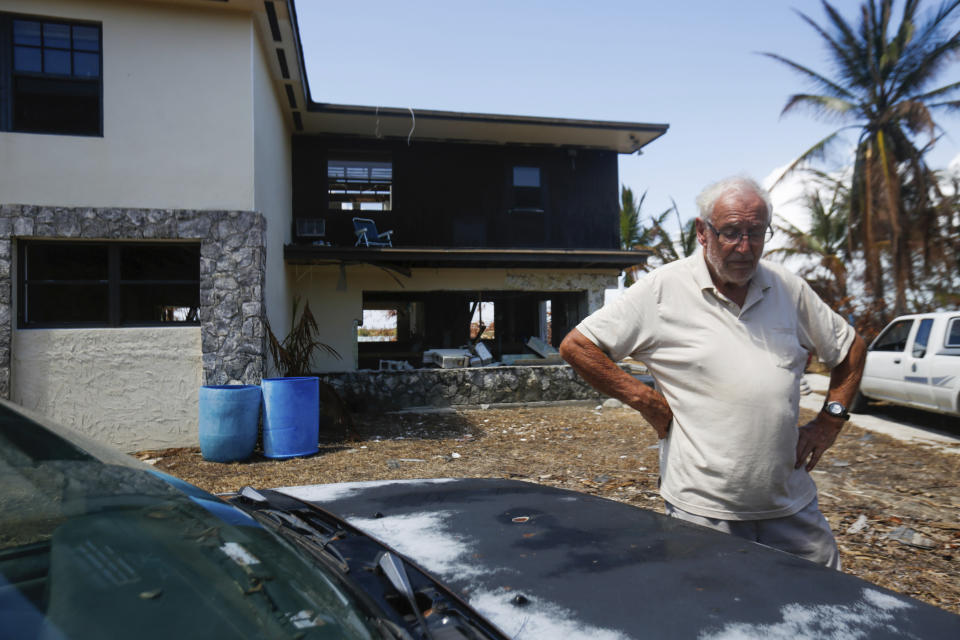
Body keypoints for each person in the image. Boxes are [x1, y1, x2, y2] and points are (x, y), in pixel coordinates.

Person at [559, 176, 866, 569]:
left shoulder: (786, 287)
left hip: (790, 504)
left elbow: (851, 347)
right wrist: (646, 400)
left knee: (827, 607)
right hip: (703, 511)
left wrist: (830, 420)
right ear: (702, 232)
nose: (745, 247)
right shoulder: (662, 290)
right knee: (716, 615)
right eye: (732, 233)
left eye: (756, 233)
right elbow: (578, 346)